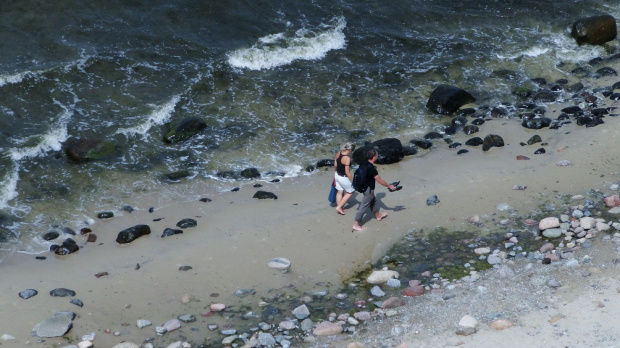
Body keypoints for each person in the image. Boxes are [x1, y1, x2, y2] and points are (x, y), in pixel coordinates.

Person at [352, 149, 396, 231]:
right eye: (377, 155)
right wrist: (390, 186)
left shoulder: (364, 163)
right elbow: (380, 181)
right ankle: (356, 224)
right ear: (374, 157)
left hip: (364, 187)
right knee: (364, 206)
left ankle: (378, 215)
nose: (377, 156)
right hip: (368, 189)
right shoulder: (371, 168)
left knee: (374, 200)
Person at [333, 142, 356, 215]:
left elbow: (335, 165)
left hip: (337, 175)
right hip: (343, 177)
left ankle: (339, 209)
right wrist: (354, 180)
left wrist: (336, 173)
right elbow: (347, 172)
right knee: (351, 191)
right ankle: (339, 207)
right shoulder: (347, 158)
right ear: (350, 150)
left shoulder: (338, 153)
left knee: (340, 191)